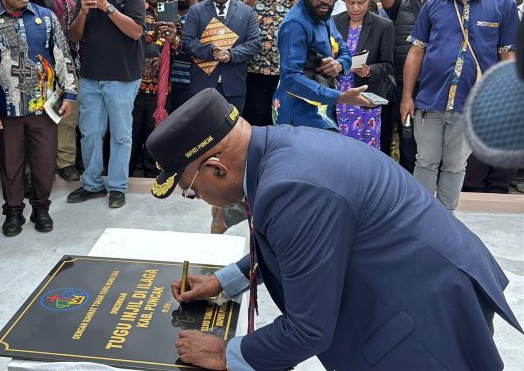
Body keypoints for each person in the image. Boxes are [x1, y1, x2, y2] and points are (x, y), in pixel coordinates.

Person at [145, 88, 522, 371]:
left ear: (216, 168)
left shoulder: (292, 189)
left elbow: (308, 330)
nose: (197, 198)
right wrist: (226, 280)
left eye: (192, 191)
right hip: (423, 277)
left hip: (423, 319)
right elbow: (303, 246)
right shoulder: (277, 148)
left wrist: (226, 353)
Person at [400, 0, 518, 212]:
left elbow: (507, 56)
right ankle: (421, 219)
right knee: (425, 162)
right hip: (430, 101)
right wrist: (407, 96)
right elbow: (416, 53)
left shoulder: (503, 5)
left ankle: (446, 221)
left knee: (455, 165)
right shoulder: (434, 5)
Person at [0, 0, 77, 235]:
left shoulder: (46, 17)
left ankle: (41, 208)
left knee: (44, 163)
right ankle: (13, 211)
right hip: (6, 110)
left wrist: (69, 93)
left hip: (44, 107)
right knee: (10, 165)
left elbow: (63, 55)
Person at [67, 0, 145, 209]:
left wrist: (107, 7)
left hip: (122, 77)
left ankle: (118, 186)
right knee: (89, 134)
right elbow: (75, 36)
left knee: (120, 135)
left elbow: (136, 31)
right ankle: (92, 185)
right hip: (91, 77)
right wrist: (84, 11)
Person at [273, 0, 372, 130]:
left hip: (321, 105)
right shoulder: (295, 25)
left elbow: (344, 50)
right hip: (298, 112)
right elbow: (291, 79)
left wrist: (339, 65)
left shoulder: (323, 15)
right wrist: (339, 97)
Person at [379, 0, 451, 172]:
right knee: (398, 134)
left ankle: (420, 181)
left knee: (421, 139)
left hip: (432, 83)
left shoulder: (446, 2)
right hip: (400, 81)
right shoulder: (400, 4)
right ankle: (394, 178)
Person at [31, 0, 82, 182]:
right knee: (42, 119)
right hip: (43, 67)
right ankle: (43, 165)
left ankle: (66, 162)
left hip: (71, 66)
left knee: (68, 118)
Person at [183, 0, 261, 113]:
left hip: (234, 85)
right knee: (202, 126)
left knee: (233, 126)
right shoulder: (195, 11)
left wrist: (231, 54)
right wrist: (211, 51)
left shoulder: (247, 12)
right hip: (202, 85)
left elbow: (254, 44)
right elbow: (187, 42)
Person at [333, 0, 394, 148]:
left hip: (366, 98)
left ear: (371, 1)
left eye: (361, 3)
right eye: (350, 3)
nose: (356, 8)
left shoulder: (383, 26)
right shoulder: (333, 22)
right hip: (338, 96)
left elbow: (388, 65)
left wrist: (369, 71)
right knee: (338, 148)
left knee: (365, 150)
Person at [130, 0, 178, 178]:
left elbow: (181, 51)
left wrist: (174, 40)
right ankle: (125, 176)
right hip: (133, 88)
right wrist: (151, 37)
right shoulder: (134, 11)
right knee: (129, 136)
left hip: (161, 91)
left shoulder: (172, 15)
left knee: (156, 137)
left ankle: (151, 177)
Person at [241, 0, 297, 127]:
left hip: (283, 70)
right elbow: (236, 20)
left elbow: (307, 21)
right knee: (256, 116)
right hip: (254, 69)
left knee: (282, 117)